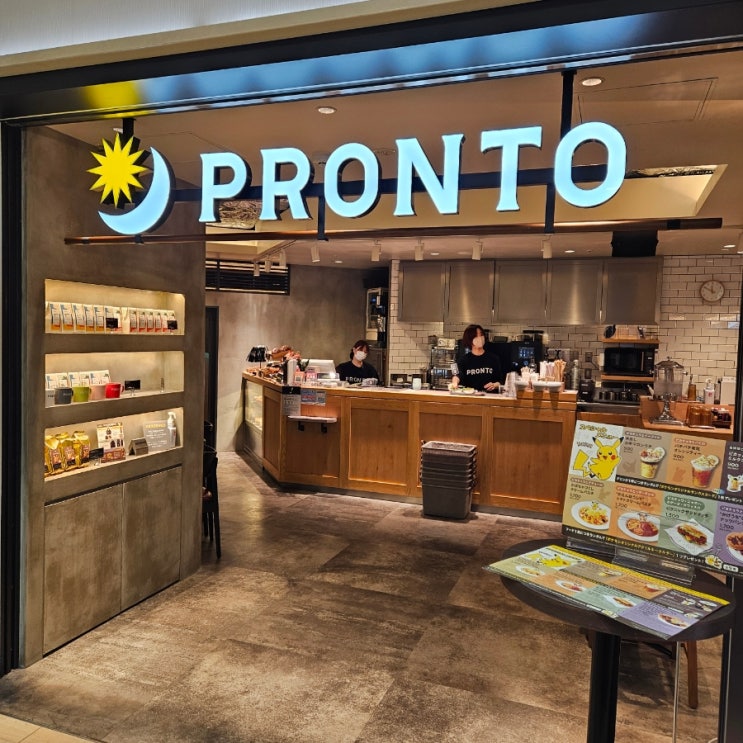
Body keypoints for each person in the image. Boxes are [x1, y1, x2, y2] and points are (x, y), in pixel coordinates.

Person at [451, 324, 503, 392]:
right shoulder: (463, 360)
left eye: (481, 335)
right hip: (470, 396)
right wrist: (454, 383)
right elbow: (457, 375)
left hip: (489, 396)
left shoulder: (494, 358)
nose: (480, 338)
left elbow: (501, 381)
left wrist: (495, 385)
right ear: (469, 340)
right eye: (476, 336)